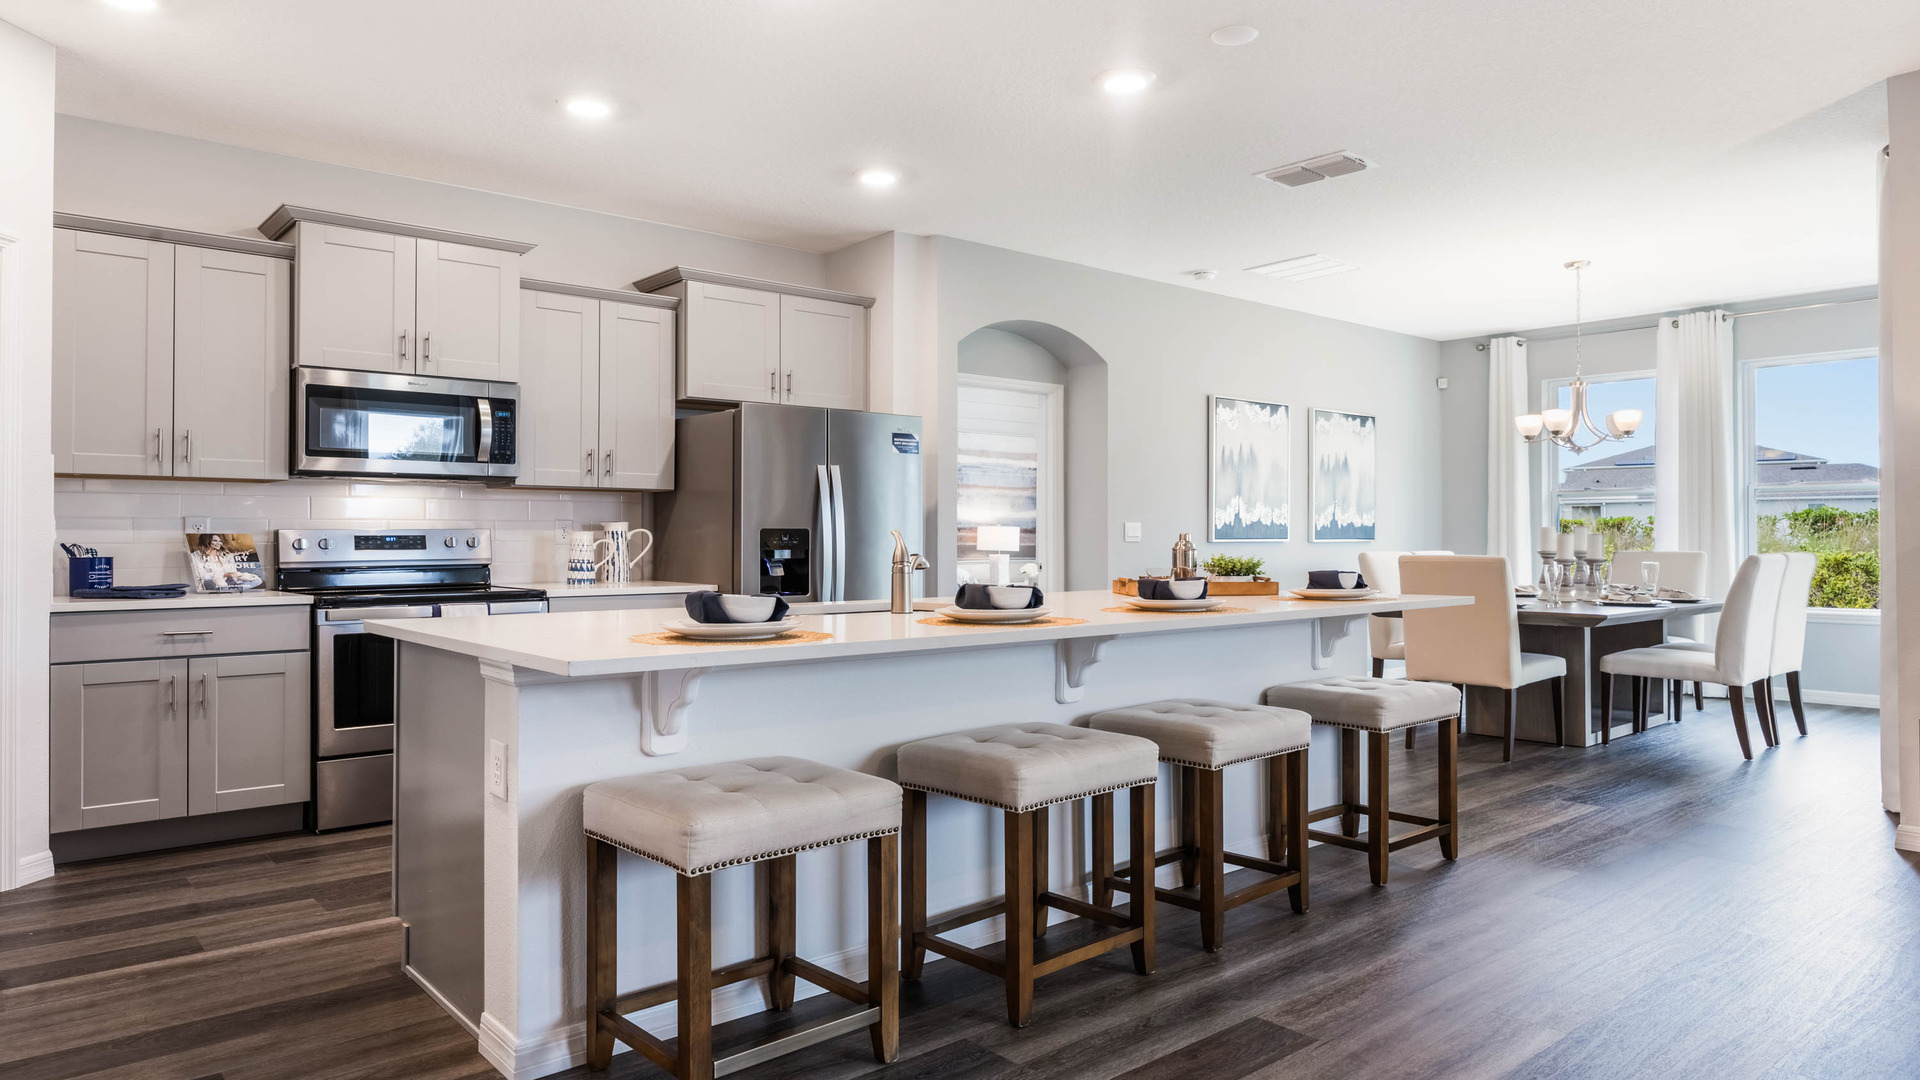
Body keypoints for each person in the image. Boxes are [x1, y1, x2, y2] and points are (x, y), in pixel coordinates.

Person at [191, 533, 262, 591]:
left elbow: (233, 570)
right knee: (220, 584)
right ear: (206, 541)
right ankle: (229, 589)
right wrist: (225, 574)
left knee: (257, 580)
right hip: (210, 581)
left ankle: (232, 589)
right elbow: (202, 576)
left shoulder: (225, 555)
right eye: (215, 541)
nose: (219, 543)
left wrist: (238, 575)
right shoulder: (195, 556)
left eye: (220, 541)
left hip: (228, 580)